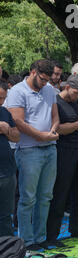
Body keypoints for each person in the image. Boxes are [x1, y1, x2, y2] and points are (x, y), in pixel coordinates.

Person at [6, 59, 59, 251]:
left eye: (47, 80)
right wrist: (40, 136)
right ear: (33, 72)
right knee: (28, 197)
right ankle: (27, 241)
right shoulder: (17, 91)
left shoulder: (50, 90)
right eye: (42, 79)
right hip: (28, 150)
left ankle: (40, 237)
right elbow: (18, 122)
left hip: (50, 148)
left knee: (45, 196)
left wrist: (52, 130)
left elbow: (55, 116)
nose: (45, 83)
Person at [46, 74, 78, 247]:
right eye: (75, 93)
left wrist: (76, 126)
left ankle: (76, 228)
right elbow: (59, 129)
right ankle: (52, 235)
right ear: (66, 88)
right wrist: (76, 125)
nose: (77, 97)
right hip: (63, 150)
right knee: (61, 193)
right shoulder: (57, 102)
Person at [0, 81, 20, 237]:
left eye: (3, 98)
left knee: (6, 216)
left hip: (7, 171)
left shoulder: (4, 112)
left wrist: (6, 130)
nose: (1, 101)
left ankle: (7, 251)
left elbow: (16, 136)